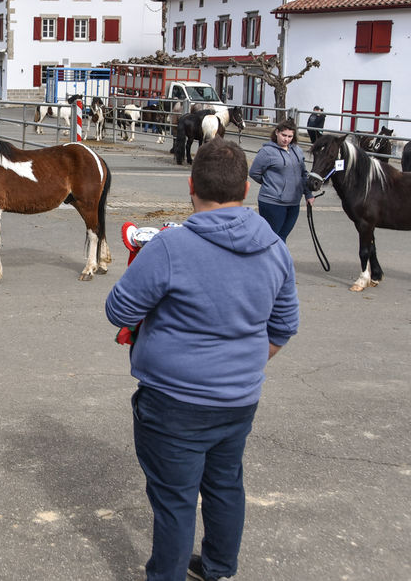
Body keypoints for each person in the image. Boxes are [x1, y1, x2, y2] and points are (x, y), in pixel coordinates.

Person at [104, 139, 299, 581]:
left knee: (175, 501)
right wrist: (244, 362)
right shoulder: (275, 247)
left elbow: (119, 310)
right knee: (225, 485)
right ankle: (218, 569)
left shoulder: (170, 248)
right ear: (246, 191)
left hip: (173, 402)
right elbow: (283, 327)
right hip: (238, 399)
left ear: (191, 186)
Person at [248, 118, 315, 242]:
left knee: (282, 237)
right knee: (272, 237)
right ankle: (266, 260)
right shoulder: (266, 152)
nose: (286, 139)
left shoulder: (297, 151)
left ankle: (278, 261)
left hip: (293, 202)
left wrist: (308, 194)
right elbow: (254, 172)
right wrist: (271, 183)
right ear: (277, 132)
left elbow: (303, 174)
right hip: (272, 202)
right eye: (284, 135)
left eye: (290, 136)